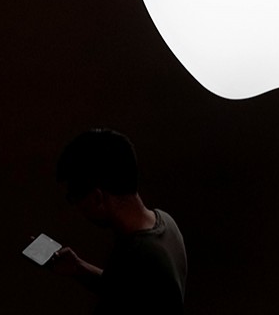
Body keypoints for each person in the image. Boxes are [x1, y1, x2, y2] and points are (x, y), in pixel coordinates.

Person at [50, 128, 187, 314]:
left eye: (74, 199)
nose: (77, 209)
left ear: (97, 198)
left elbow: (126, 288)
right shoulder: (165, 222)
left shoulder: (135, 254)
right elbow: (130, 289)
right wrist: (78, 268)